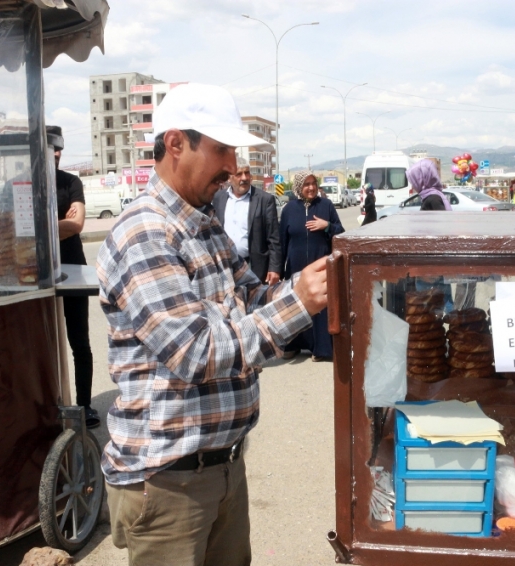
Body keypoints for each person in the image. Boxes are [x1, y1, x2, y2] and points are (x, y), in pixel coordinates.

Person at [96, 84, 328, 566]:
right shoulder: (145, 232)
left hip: (221, 468)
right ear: (176, 144)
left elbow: (252, 297)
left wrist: (310, 286)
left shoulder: (203, 225)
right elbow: (195, 353)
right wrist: (299, 303)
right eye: (222, 149)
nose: (231, 165)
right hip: (168, 483)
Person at [48, 126, 99, 429]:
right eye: (51, 148)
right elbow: (14, 225)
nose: (56, 154)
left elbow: (77, 224)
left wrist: (37, 226)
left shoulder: (70, 182)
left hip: (73, 271)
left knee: (79, 341)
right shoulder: (18, 185)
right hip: (35, 275)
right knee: (40, 344)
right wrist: (59, 224)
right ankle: (47, 404)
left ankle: (84, 405)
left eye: (60, 148)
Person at [279, 171, 344, 362]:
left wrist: (327, 225)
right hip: (296, 267)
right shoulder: (289, 209)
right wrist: (280, 270)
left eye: (314, 183)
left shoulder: (326, 206)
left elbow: (341, 234)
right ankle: (294, 345)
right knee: (297, 305)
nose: (311, 187)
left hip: (320, 267)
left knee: (321, 306)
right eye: (306, 184)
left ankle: (322, 349)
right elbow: (282, 241)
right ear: (299, 187)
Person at [213, 156, 281, 285]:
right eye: (239, 174)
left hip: (253, 266)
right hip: (226, 266)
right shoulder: (219, 198)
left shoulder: (264, 200)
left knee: (255, 303)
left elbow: (274, 238)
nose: (244, 178)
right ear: (229, 177)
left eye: (247, 173)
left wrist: (275, 268)